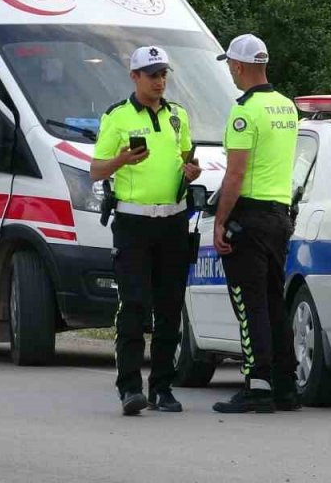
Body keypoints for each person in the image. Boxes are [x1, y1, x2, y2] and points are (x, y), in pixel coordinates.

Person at [91, 46, 201, 415]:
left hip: (173, 220)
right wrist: (122, 159)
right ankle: (130, 388)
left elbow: (187, 156)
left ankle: (163, 388)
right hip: (133, 222)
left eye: (163, 73)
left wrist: (192, 171)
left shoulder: (178, 116)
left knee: (170, 307)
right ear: (134, 76)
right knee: (135, 305)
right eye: (152, 74)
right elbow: (96, 170)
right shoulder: (117, 117)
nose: (160, 81)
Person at [211, 34, 301, 413]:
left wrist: (220, 221)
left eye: (231, 64)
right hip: (280, 214)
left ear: (242, 66)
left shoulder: (244, 111)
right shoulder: (288, 107)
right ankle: (285, 385)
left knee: (250, 304)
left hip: (249, 215)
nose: (230, 70)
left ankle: (257, 384)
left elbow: (235, 173)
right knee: (272, 302)